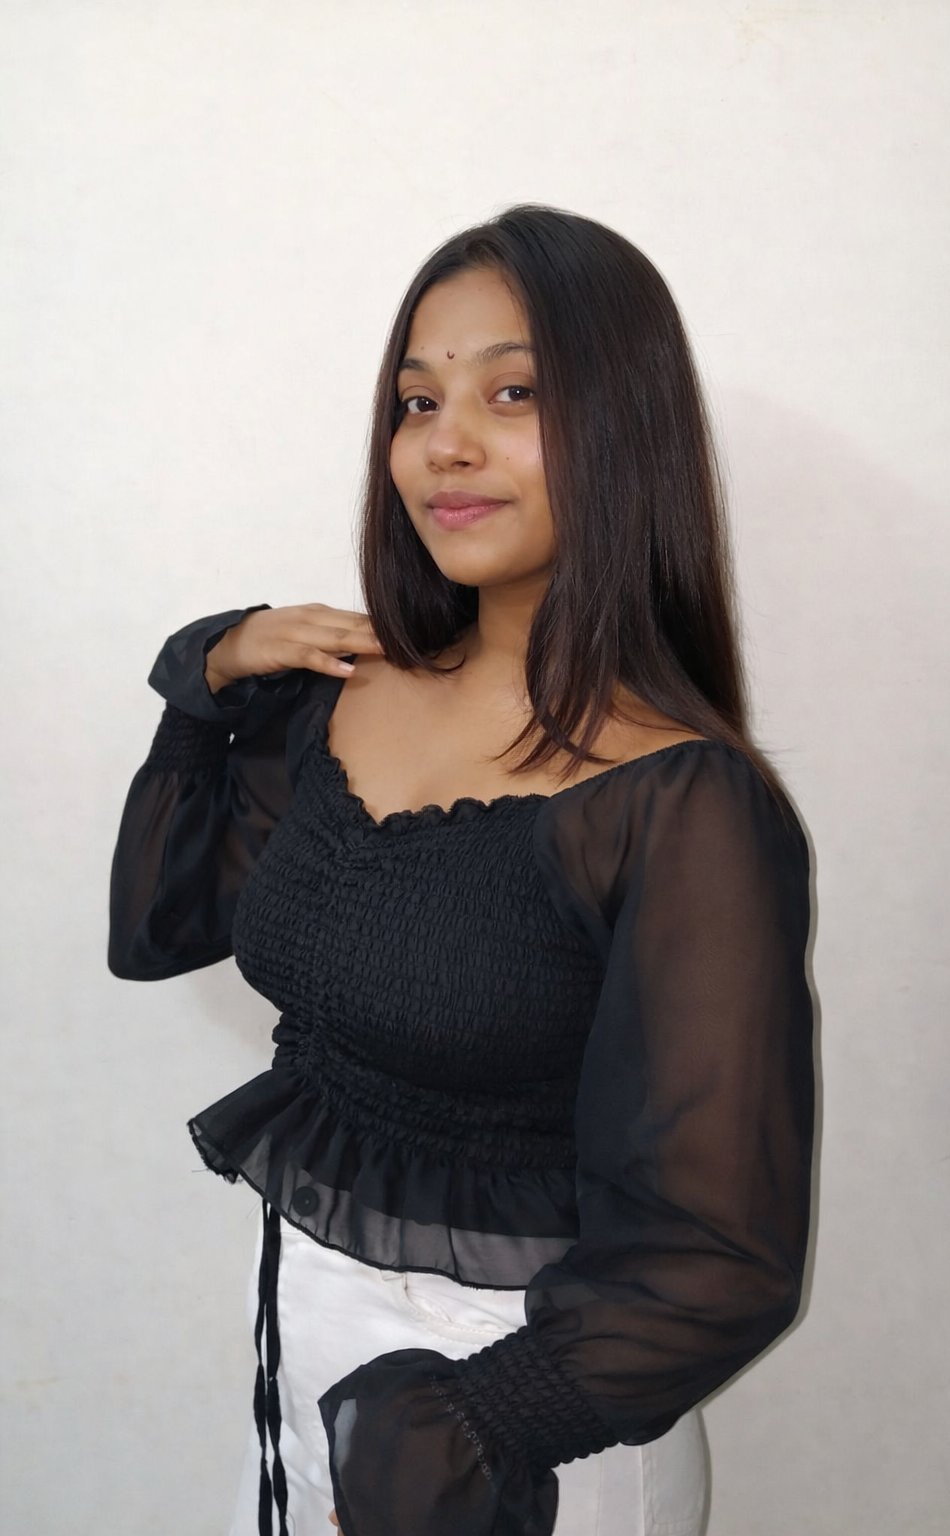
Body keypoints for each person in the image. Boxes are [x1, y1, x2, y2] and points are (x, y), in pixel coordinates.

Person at [108, 203, 816, 1536]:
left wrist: (467, 1428)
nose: (446, 444)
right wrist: (207, 675)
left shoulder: (684, 807)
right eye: (418, 400)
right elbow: (157, 924)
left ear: (625, 426)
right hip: (299, 1367)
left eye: (514, 393)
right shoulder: (340, 696)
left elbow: (723, 1254)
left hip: (525, 1426)